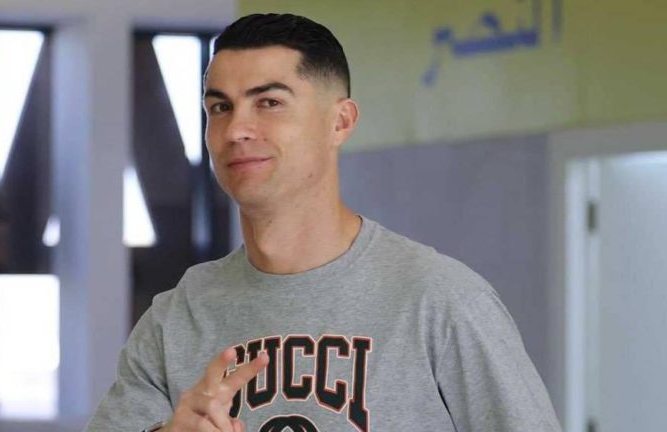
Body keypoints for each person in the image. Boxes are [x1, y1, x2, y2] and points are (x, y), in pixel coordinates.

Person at [85, 13, 561, 432]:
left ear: (340, 122)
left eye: (269, 103)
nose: (236, 130)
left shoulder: (440, 301)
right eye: (220, 108)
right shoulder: (176, 318)